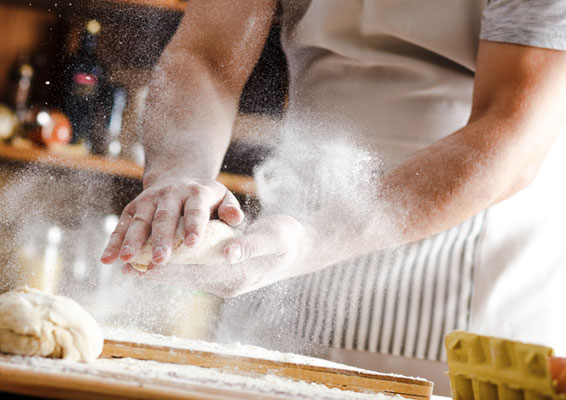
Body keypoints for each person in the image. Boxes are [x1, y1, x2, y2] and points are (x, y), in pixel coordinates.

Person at [101, 0, 566, 394]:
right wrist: (180, 172)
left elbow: (512, 133)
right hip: (286, 248)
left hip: (466, 268)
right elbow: (206, 55)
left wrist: (313, 242)